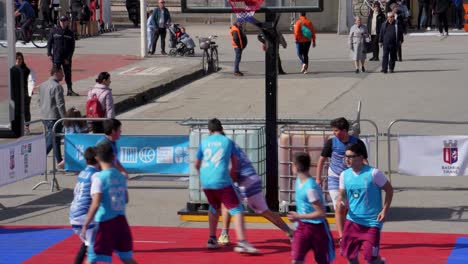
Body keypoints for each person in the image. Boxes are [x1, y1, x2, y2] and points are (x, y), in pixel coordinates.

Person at [194, 118, 258, 254]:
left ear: (209, 131)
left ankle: (212, 239)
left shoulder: (204, 142)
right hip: (221, 180)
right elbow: (234, 164)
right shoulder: (227, 142)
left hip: (206, 181)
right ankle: (242, 242)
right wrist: (232, 176)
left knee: (214, 207)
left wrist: (203, 176)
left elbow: (196, 164)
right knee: (237, 209)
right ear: (221, 129)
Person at [218, 141, 294, 245]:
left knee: (263, 211)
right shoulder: (229, 145)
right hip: (247, 179)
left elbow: (233, 170)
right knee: (228, 202)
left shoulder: (225, 147)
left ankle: (289, 231)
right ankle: (224, 234)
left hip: (245, 181)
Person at [335, 143, 393, 264]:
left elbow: (389, 189)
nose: (347, 159)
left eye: (350, 156)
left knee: (371, 258)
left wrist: (384, 210)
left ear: (361, 157)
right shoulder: (344, 175)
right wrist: (341, 200)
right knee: (350, 257)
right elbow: (342, 193)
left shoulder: (374, 173)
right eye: (345, 156)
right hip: (352, 222)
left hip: (372, 223)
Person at [81, 142, 137, 264]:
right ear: (113, 157)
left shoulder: (98, 177)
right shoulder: (121, 177)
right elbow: (126, 199)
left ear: (97, 158)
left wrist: (86, 222)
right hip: (121, 222)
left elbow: (96, 203)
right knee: (126, 258)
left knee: (92, 257)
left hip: (105, 222)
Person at [288, 152, 335, 264]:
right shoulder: (298, 181)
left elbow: (321, 213)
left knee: (322, 261)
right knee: (296, 260)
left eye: (293, 164)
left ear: (296, 166)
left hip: (317, 229)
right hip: (302, 228)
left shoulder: (310, 188)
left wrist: (299, 216)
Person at [316, 117, 368, 211]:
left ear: (344, 131)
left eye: (336, 130)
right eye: (333, 130)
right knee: (339, 206)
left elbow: (364, 160)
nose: (333, 133)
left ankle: (349, 224)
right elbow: (321, 159)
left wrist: (367, 176)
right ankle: (341, 225)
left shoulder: (357, 143)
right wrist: (318, 178)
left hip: (352, 178)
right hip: (335, 178)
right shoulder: (331, 142)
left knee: (351, 206)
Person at [69, 147, 99, 264]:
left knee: (88, 244)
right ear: (97, 159)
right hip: (83, 216)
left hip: (74, 214)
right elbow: (96, 199)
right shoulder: (96, 175)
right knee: (94, 249)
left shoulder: (82, 173)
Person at [38, 65, 66, 164]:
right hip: (54, 117)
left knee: (56, 139)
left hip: (44, 115)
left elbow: (39, 100)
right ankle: (39, 160)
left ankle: (59, 161)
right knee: (52, 139)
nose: (63, 75)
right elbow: (60, 104)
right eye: (61, 73)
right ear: (56, 73)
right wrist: (64, 118)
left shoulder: (42, 85)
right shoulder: (57, 87)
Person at [47, 15, 79, 96]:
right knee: (55, 74)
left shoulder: (70, 33)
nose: (63, 23)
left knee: (68, 74)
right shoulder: (54, 31)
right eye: (61, 21)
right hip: (56, 57)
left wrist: (68, 58)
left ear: (67, 22)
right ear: (59, 22)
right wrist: (49, 54)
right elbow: (49, 43)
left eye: (64, 21)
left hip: (66, 58)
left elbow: (72, 47)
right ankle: (54, 90)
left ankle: (69, 90)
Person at [15, 52, 36, 135]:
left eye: (19, 59)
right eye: (16, 59)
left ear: (22, 59)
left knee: (26, 110)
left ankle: (27, 127)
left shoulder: (27, 70)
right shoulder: (12, 69)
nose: (18, 60)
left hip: (25, 93)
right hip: (15, 93)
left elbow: (31, 81)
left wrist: (30, 92)